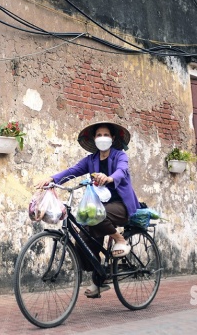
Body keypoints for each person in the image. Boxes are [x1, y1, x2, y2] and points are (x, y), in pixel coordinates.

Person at [37, 121, 140, 298]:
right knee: (83, 237)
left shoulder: (119, 156)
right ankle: (100, 276)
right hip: (99, 206)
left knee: (97, 215)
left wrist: (108, 178)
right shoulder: (91, 160)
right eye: (99, 135)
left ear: (112, 138)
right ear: (94, 139)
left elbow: (121, 172)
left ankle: (120, 239)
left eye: (105, 135)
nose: (102, 138)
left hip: (121, 205)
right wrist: (52, 179)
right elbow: (73, 171)